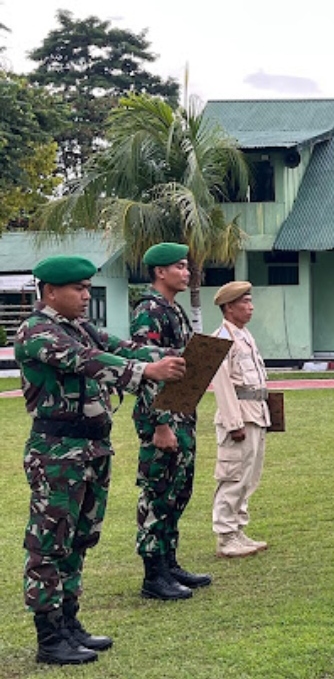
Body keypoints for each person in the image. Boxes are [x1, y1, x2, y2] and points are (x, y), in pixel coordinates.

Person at [15, 255, 186, 665]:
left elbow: (121, 347)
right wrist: (146, 371)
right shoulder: (37, 331)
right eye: (78, 289)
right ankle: (49, 636)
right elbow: (85, 360)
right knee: (50, 543)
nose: (85, 296)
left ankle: (69, 622)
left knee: (78, 541)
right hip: (57, 452)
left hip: (92, 449)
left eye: (88, 288)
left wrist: (173, 356)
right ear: (50, 291)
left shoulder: (79, 327)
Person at [130, 242, 211, 599]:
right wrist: (160, 425)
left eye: (186, 266)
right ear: (160, 272)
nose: (186, 272)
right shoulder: (149, 311)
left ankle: (169, 563)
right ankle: (153, 575)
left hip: (181, 412)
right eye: (179, 266)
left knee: (178, 492)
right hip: (162, 419)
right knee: (158, 494)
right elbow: (148, 372)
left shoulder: (174, 310)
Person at [209, 281, 271, 558]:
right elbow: (222, 385)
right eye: (244, 302)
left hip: (255, 413)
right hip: (238, 418)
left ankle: (237, 529)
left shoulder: (244, 335)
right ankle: (226, 536)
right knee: (233, 476)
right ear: (229, 307)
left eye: (250, 301)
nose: (251, 307)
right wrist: (234, 424)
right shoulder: (221, 338)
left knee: (248, 477)